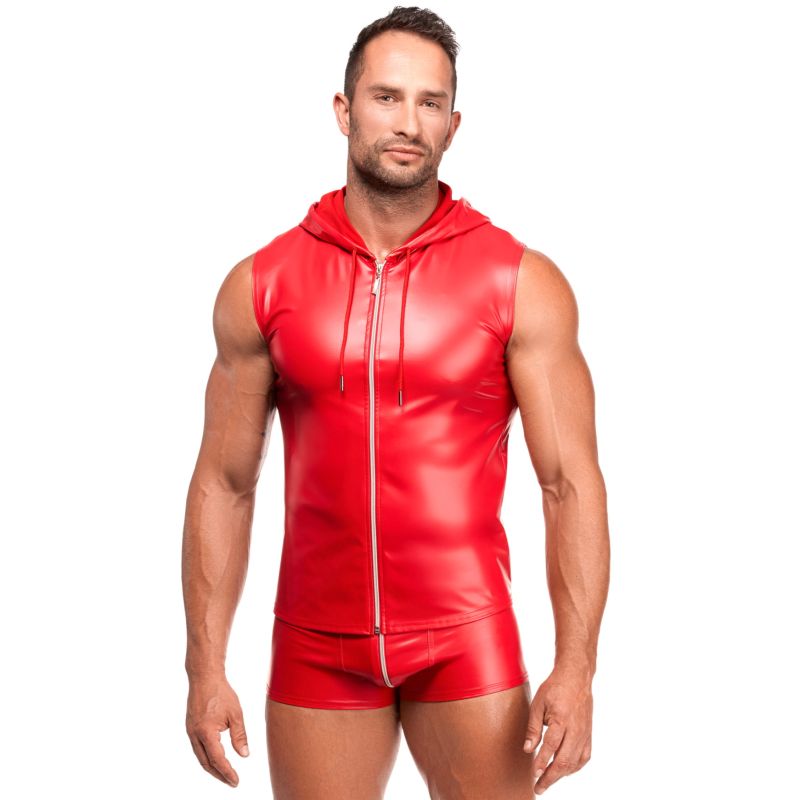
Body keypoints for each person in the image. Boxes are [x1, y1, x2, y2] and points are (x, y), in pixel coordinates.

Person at [182, 7, 609, 798]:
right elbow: (224, 483)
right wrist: (204, 668)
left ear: (453, 123)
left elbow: (569, 484)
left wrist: (576, 668)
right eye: (386, 97)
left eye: (429, 102)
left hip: (466, 637)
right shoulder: (263, 283)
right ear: (344, 110)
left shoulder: (518, 281)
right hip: (317, 644)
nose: (408, 121)